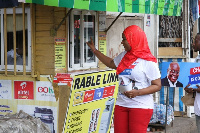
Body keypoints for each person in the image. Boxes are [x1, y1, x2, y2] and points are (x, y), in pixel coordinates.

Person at [86, 25, 161, 133]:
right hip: (121, 103)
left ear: (133, 39)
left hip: (140, 106)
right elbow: (111, 63)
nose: (122, 42)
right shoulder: (124, 56)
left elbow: (157, 85)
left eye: (124, 39)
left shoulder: (148, 61)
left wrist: (137, 92)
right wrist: (94, 50)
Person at [184, 33, 200, 133]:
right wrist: (188, 88)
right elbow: (192, 82)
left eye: (195, 41)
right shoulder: (196, 61)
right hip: (198, 108)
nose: (193, 43)